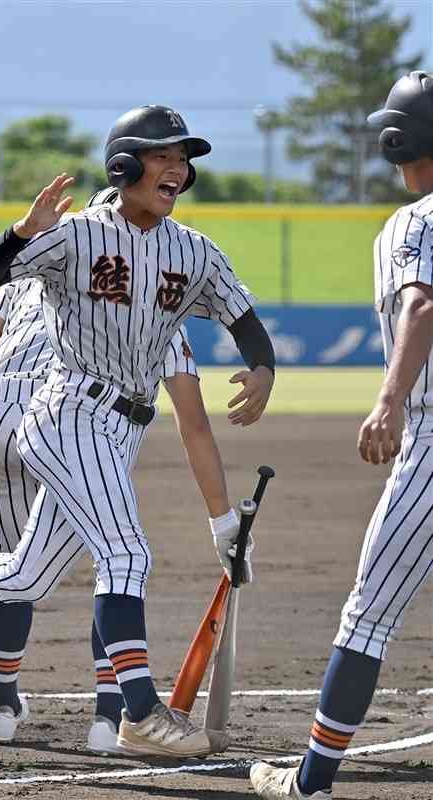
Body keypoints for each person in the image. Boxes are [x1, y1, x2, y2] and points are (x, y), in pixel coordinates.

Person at [0, 105, 275, 759]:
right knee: (127, 555)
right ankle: (140, 713)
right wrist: (24, 229)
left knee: (25, 577)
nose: (177, 168)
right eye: (163, 155)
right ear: (124, 165)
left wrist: (263, 366)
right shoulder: (77, 236)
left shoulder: (193, 251)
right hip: (65, 414)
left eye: (183, 159)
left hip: (122, 429)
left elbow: (240, 313)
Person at [250, 71, 433, 799]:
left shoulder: (415, 222)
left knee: (367, 616)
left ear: (394, 139)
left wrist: (387, 401)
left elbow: (419, 306)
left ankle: (311, 781)